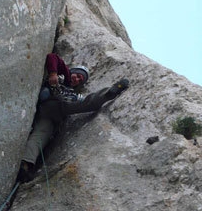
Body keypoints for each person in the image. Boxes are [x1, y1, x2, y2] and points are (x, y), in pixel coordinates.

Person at [9, 53, 129, 197]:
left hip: (54, 116)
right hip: (51, 103)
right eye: (77, 75)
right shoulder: (64, 75)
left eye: (80, 79)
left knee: (40, 135)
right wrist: (53, 73)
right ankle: (107, 94)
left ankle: (25, 165)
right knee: (82, 104)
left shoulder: (72, 92)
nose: (77, 79)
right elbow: (52, 57)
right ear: (71, 72)